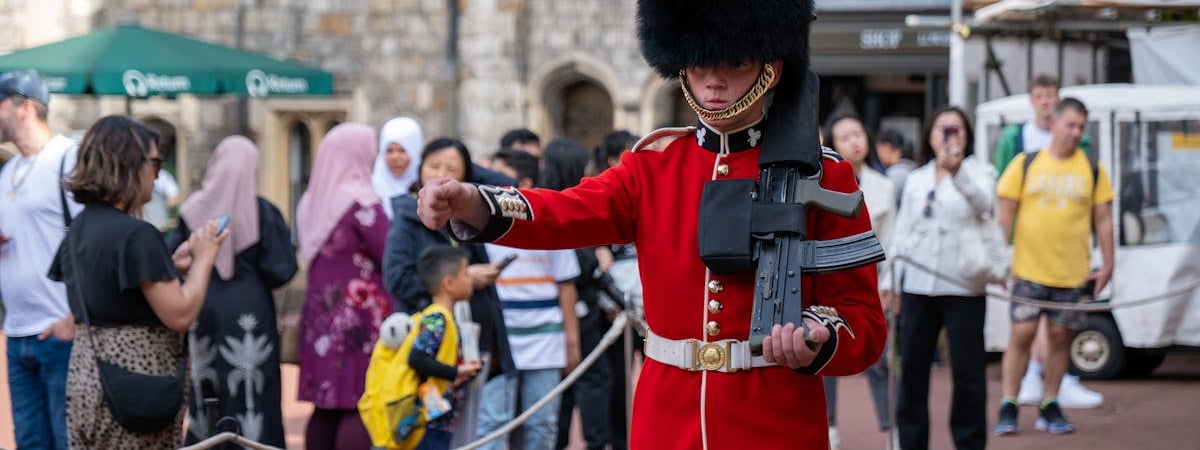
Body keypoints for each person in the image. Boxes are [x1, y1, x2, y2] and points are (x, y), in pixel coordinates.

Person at [415, 1, 886, 448]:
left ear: (771, 67)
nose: (714, 80)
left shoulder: (825, 175)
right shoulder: (653, 167)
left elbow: (862, 320)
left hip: (775, 418)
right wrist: (476, 201)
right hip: (666, 416)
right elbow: (565, 212)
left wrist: (820, 338)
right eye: (700, 63)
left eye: (735, 62)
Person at [48, 115, 226, 448]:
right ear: (130, 164)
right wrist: (204, 257)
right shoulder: (137, 235)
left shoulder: (81, 228)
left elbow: (112, 293)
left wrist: (169, 268)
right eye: (155, 163)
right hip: (133, 381)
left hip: (88, 376)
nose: (156, 175)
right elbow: (180, 315)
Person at [381, 137, 518, 447]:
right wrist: (461, 279)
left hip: (473, 344)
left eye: (452, 168)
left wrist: (466, 184)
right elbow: (397, 277)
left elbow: (509, 184)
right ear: (419, 170)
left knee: (469, 435)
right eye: (434, 166)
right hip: (433, 348)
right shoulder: (407, 217)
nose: (442, 174)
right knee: (432, 435)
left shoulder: (466, 218)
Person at [166, 136, 299, 447]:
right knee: (255, 394)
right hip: (250, 311)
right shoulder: (263, 211)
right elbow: (283, 269)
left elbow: (170, 261)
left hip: (202, 306)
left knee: (206, 390)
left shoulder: (192, 211)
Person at [994, 98, 1115, 436]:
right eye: (1070, 125)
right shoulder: (1026, 163)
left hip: (1072, 271)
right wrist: (1000, 262)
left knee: (1061, 337)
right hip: (1028, 268)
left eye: (1081, 127)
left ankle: (1050, 402)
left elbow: (1103, 219)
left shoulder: (1091, 168)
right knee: (1022, 333)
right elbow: (1004, 212)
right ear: (1054, 123)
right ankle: (1009, 402)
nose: (1076, 132)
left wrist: (1109, 263)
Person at [881, 106, 994, 450]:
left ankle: (969, 442)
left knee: (968, 372)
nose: (948, 136)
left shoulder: (981, 171)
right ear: (929, 135)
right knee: (912, 370)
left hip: (963, 284)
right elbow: (901, 232)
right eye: (941, 130)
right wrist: (888, 281)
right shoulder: (916, 178)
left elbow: (985, 205)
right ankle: (910, 442)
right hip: (917, 283)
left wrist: (957, 173)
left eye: (955, 130)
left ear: (967, 135)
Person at [296, 123, 397, 449]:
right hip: (358, 319)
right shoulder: (363, 203)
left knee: (325, 405)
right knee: (358, 402)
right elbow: (390, 254)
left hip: (320, 318)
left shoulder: (310, 202)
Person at [477, 147, 582, 450]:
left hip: (545, 340)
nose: (491, 187)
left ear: (523, 184)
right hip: (501, 337)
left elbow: (566, 286)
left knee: (542, 422)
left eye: (500, 178)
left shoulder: (550, 226)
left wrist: (571, 344)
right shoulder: (483, 225)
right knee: (494, 422)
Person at [0, 70, 80, 450]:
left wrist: (74, 317)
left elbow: (97, 240)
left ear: (24, 108)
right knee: (29, 443)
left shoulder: (69, 158)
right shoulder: (9, 171)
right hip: (16, 333)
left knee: (68, 441)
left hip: (61, 333)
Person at [821, 113, 896, 448]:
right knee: (823, 354)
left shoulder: (884, 185)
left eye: (858, 133)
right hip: (827, 282)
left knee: (881, 360)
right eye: (845, 136)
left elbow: (892, 243)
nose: (854, 141)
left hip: (873, 281)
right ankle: (830, 427)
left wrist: (888, 286)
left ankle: (890, 428)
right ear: (831, 144)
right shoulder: (818, 182)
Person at [409, 245, 485, 450]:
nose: (470, 279)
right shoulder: (436, 318)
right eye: (465, 274)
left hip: (441, 419)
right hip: (428, 420)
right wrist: (455, 372)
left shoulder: (448, 319)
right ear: (449, 283)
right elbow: (417, 358)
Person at [373, 116, 424, 219]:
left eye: (402, 150)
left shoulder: (425, 191)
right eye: (389, 150)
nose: (395, 157)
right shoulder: (371, 189)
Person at [876, 128, 917, 202]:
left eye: (879, 150)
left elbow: (884, 203)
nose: (879, 155)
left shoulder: (897, 173)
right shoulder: (911, 166)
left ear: (887, 147)